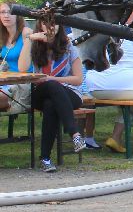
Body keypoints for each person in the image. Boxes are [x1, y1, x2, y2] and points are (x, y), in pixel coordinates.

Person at [82, 35, 133, 155]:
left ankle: (115, 138)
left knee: (132, 102)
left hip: (96, 86)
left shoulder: (99, 30)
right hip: (128, 83)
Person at [23, 22, 86, 172]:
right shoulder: (35, 45)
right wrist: (29, 39)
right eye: (46, 23)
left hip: (70, 93)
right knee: (51, 88)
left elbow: (78, 79)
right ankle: (74, 133)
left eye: (55, 23)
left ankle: (45, 158)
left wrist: (54, 80)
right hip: (40, 91)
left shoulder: (69, 47)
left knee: (51, 104)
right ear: (40, 25)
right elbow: (22, 68)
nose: (51, 26)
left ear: (60, 26)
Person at [0, 0, 34, 112]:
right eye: (2, 12)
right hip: (6, 83)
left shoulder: (26, 32)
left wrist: (27, 39)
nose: (6, 15)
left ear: (18, 15)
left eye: (10, 12)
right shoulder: (2, 36)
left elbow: (23, 68)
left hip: (23, 85)